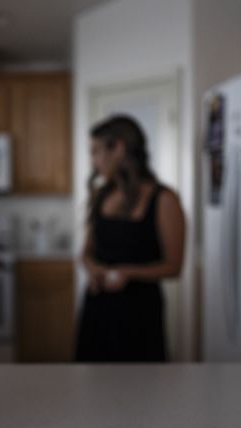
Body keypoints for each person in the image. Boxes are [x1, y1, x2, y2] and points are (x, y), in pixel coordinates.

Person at [76, 115, 186, 362]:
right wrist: (92, 268)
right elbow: (86, 251)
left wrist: (127, 273)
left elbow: (174, 267)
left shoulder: (164, 200)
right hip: (97, 309)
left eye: (96, 152)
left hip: (139, 313)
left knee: (142, 392)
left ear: (119, 149)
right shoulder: (101, 195)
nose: (93, 162)